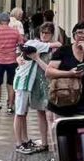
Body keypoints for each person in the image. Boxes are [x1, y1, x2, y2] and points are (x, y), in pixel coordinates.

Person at [12, 22, 61, 154]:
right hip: (32, 84)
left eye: (47, 33)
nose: (44, 35)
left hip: (49, 84)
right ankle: (39, 143)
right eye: (42, 32)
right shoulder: (36, 44)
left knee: (50, 116)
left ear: (52, 34)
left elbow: (51, 68)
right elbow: (22, 54)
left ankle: (54, 147)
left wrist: (36, 59)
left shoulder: (53, 49)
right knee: (28, 113)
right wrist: (19, 59)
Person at [45, 21, 84, 119]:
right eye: (79, 32)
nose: (82, 36)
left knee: (83, 132)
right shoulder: (63, 50)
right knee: (63, 133)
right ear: (74, 35)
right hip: (63, 100)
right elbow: (49, 72)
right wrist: (70, 73)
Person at [0, 12, 24, 115]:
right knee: (11, 83)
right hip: (12, 61)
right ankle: (10, 105)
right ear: (8, 21)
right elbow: (21, 45)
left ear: (0, 21)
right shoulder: (15, 32)